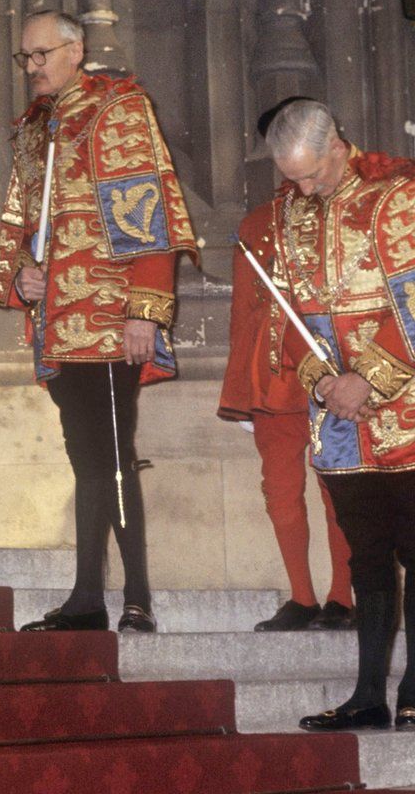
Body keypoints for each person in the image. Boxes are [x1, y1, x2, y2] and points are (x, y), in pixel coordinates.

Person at [0, 10, 197, 633]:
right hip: (58, 319)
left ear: (76, 50)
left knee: (111, 454)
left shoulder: (118, 108)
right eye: (24, 58)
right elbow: (21, 222)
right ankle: (86, 597)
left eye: (42, 54)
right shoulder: (31, 130)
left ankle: (136, 597)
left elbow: (147, 206)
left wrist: (144, 309)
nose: (32, 67)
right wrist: (23, 274)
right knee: (85, 456)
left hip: (110, 314)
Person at [265, 98, 415, 732]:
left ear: (338, 146)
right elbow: (286, 320)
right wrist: (324, 381)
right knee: (368, 556)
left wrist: (368, 378)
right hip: (340, 423)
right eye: (290, 178)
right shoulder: (288, 216)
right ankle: (367, 695)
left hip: (405, 412)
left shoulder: (396, 199)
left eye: (311, 175)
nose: (302, 189)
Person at [218, 197, 354, 631]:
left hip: (333, 368)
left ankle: (342, 598)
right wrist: (240, 387)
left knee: (340, 489)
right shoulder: (255, 219)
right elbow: (243, 309)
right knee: (280, 489)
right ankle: (302, 597)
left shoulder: (344, 209)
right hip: (271, 376)